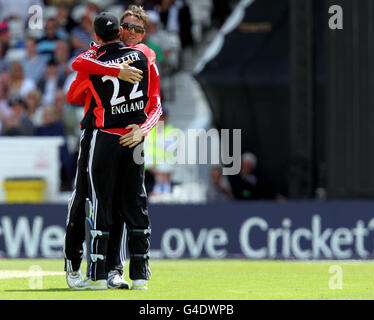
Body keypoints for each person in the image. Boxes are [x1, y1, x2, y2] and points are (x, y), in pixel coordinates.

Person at [65, 8, 162, 291]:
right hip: (94, 133)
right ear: (118, 30)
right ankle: (74, 265)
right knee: (84, 199)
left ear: (144, 35)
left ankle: (112, 270)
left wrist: (142, 129)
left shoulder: (144, 55)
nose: (131, 32)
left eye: (137, 29)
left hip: (125, 134)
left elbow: (155, 102)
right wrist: (112, 68)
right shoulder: (102, 56)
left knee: (122, 202)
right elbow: (74, 93)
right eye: (126, 27)